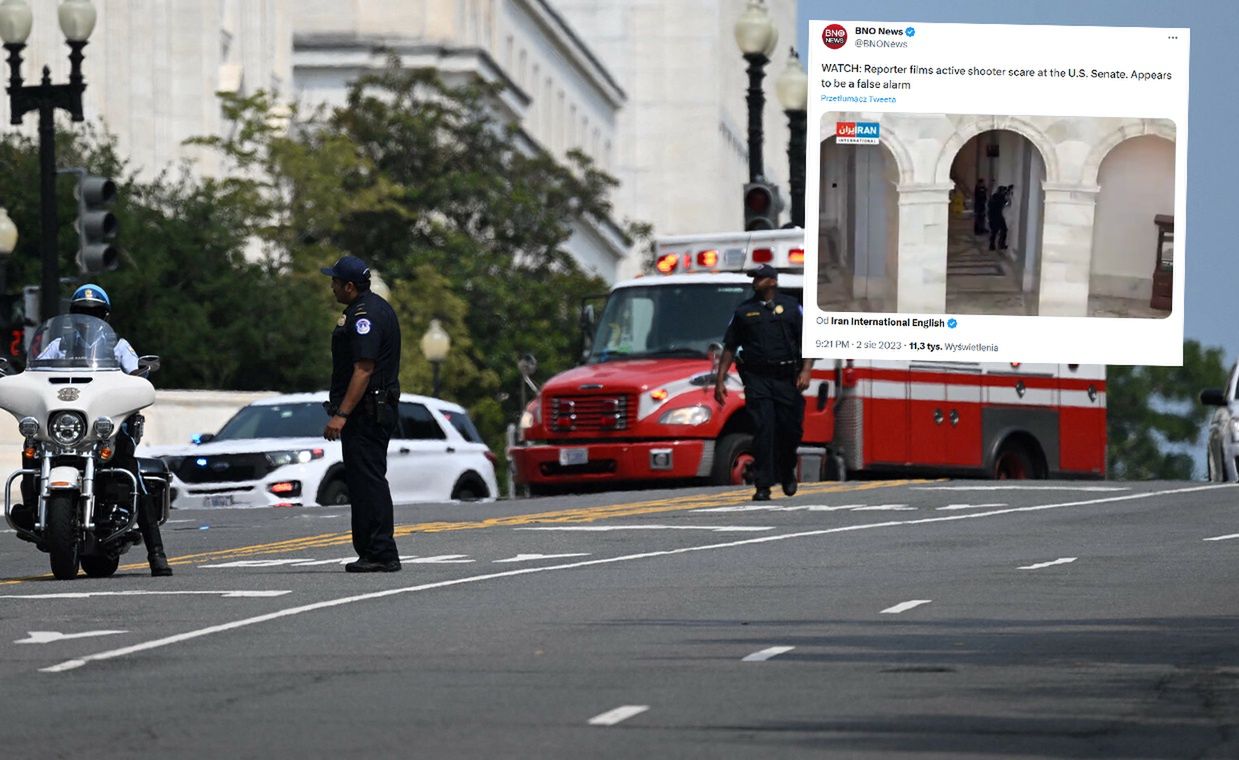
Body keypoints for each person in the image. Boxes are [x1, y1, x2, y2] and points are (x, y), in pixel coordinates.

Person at [16, 284, 171, 576]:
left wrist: (140, 375)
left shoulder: (118, 347)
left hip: (105, 428)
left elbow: (136, 373)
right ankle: (29, 508)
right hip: (66, 426)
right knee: (30, 447)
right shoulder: (57, 347)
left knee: (132, 470)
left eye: (96, 313)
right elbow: (34, 372)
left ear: (106, 316)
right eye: (82, 312)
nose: (89, 318)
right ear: (73, 315)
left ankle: (157, 553)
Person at [321, 255, 403, 573]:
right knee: (364, 480)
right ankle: (371, 550)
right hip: (372, 409)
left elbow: (363, 368)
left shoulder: (364, 316)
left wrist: (341, 414)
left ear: (350, 286)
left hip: (368, 411)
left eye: (335, 282)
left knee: (368, 481)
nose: (332, 287)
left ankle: (381, 551)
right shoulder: (372, 308)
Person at [713, 264, 813, 501]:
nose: (754, 282)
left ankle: (787, 469)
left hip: (787, 378)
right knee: (763, 430)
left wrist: (806, 370)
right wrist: (720, 380)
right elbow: (729, 347)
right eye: (754, 278)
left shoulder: (790, 308)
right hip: (758, 379)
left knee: (790, 430)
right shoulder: (743, 312)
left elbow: (808, 340)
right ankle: (763, 485)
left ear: (772, 281)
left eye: (758, 278)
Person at [988, 184, 1011, 251]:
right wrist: (1008, 194)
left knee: (994, 231)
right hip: (997, 216)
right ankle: (1001, 244)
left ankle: (992, 246)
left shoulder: (994, 196)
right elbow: (1008, 203)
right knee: (1004, 229)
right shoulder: (1001, 197)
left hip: (991, 215)